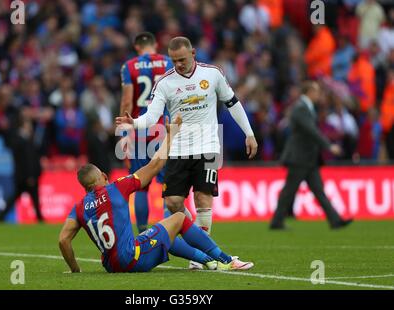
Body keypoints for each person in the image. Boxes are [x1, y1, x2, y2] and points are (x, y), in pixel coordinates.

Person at [116, 36, 258, 269]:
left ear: (193, 53)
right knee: (173, 203)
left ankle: (200, 256)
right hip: (178, 149)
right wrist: (135, 123)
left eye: (182, 59)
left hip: (209, 146)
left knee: (203, 199)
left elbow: (232, 102)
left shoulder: (212, 74)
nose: (178, 64)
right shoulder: (164, 82)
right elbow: (152, 117)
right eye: (174, 60)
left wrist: (249, 133)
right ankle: (202, 246)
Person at [58, 115, 254, 273]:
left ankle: (207, 261)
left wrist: (75, 270)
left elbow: (63, 240)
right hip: (132, 259)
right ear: (103, 175)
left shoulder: (79, 207)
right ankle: (225, 260)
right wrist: (171, 135)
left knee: (159, 233)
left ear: (85, 187)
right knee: (178, 218)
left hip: (111, 266)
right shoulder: (116, 187)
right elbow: (156, 165)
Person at [270, 81, 353, 230]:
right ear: (309, 92)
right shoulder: (301, 108)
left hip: (308, 158)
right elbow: (311, 130)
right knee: (289, 191)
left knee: (316, 191)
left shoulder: (305, 107)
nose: (318, 95)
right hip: (300, 158)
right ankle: (276, 221)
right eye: (316, 92)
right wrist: (328, 146)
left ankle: (335, 220)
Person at [119, 32, 173, 233]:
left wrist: (122, 134)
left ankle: (143, 232)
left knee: (141, 184)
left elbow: (126, 101)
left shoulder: (129, 66)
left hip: (139, 130)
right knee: (169, 182)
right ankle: (169, 231)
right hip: (163, 128)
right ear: (156, 44)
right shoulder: (169, 63)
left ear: (136, 47)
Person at [0, 118, 43, 223]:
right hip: (25, 176)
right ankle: (40, 219)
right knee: (33, 198)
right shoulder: (22, 140)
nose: (30, 127)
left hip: (23, 176)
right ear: (24, 126)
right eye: (28, 124)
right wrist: (30, 175)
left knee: (20, 197)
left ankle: (0, 216)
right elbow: (27, 161)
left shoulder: (23, 139)